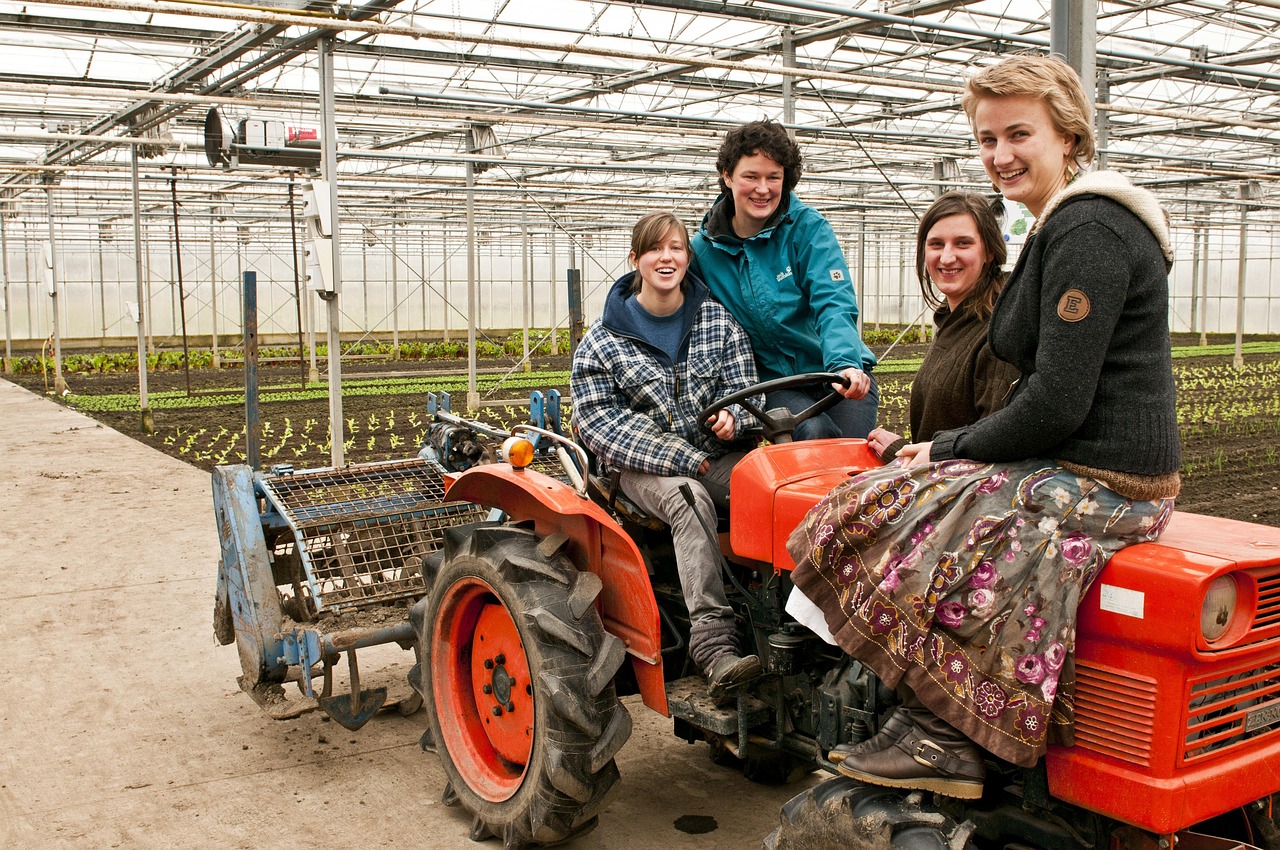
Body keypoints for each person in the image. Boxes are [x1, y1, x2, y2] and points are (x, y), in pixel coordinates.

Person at [785, 53, 1181, 800]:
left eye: (1018, 134)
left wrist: (948, 447)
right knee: (904, 492)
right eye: (986, 138)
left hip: (1109, 478)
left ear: (1068, 135)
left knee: (877, 512)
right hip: (1083, 459)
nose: (1000, 155)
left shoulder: (1089, 229)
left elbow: (1056, 403)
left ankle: (942, 734)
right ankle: (929, 712)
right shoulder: (1064, 224)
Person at [785, 191, 1020, 643]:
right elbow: (954, 430)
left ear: (990, 250)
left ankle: (841, 654)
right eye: (936, 245)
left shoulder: (998, 330)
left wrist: (918, 462)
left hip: (968, 499)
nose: (946, 257)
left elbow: (995, 436)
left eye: (962, 244)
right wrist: (902, 450)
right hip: (944, 480)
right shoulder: (955, 322)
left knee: (836, 531)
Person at [572, 211, 765, 696]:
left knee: (771, 487)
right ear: (635, 259)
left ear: (686, 258)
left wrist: (736, 420)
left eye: (677, 248)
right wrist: (687, 460)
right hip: (639, 471)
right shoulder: (603, 341)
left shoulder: (717, 322)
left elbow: (748, 391)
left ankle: (790, 618)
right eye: (656, 249)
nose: (667, 257)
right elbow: (605, 428)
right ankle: (713, 644)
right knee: (689, 498)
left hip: (712, 454)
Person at [691, 119, 877, 441]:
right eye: (751, 176)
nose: (763, 189)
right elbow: (683, 314)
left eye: (773, 177)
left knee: (850, 453)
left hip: (834, 371)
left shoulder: (808, 229)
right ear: (728, 176)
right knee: (814, 434)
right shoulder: (704, 252)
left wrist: (845, 363)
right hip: (775, 384)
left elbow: (832, 300)